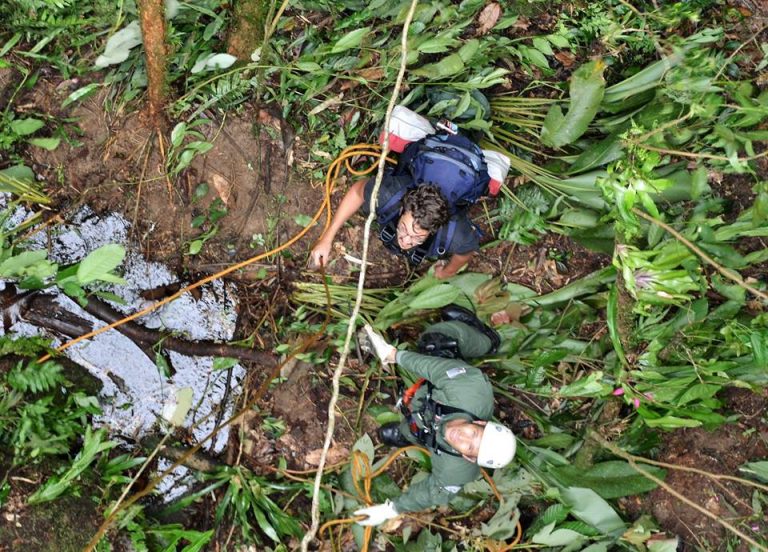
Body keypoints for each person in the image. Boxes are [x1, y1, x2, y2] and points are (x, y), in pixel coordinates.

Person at [353, 305, 515, 526]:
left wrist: (391, 509)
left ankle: (408, 435)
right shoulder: (470, 391)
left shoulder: (456, 471)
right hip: (444, 387)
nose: (462, 438)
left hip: (428, 417)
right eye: (474, 434)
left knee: (416, 429)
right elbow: (434, 368)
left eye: (470, 448)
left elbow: (432, 493)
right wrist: (393, 355)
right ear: (479, 422)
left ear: (468, 458)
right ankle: (487, 339)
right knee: (435, 342)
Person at [308, 175, 480, 279]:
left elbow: (466, 251)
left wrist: (447, 272)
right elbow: (357, 192)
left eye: (417, 238)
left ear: (433, 231)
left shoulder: (456, 235)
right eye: (403, 229)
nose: (405, 241)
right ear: (402, 210)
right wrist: (327, 239)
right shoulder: (388, 194)